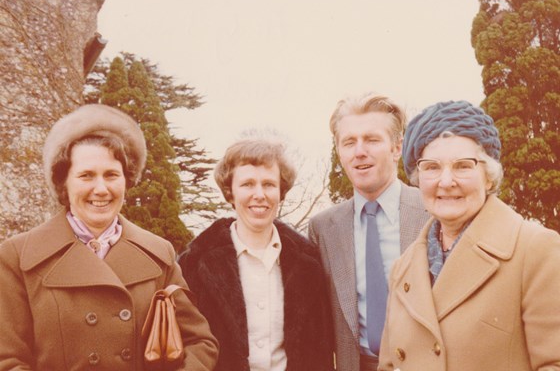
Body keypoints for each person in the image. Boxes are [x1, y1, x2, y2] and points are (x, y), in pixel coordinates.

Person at [0, 104, 219, 370]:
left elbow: (199, 343)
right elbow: (8, 360)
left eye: (112, 175)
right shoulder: (17, 256)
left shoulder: (158, 253)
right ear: (64, 183)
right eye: (86, 176)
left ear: (127, 180)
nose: (101, 189)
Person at [378, 100, 560, 370]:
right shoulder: (402, 269)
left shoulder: (536, 250)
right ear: (418, 179)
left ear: (488, 177)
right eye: (432, 167)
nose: (446, 181)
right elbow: (389, 365)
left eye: (463, 166)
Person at [179, 137, 334, 371]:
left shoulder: (309, 263)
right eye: (248, 184)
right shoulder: (194, 264)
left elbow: (320, 350)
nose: (259, 194)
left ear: (281, 192)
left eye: (269, 184)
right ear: (230, 192)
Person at [308, 92, 429, 371]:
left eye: (372, 140)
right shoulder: (323, 229)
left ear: (397, 147)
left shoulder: (432, 213)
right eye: (349, 142)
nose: (359, 151)